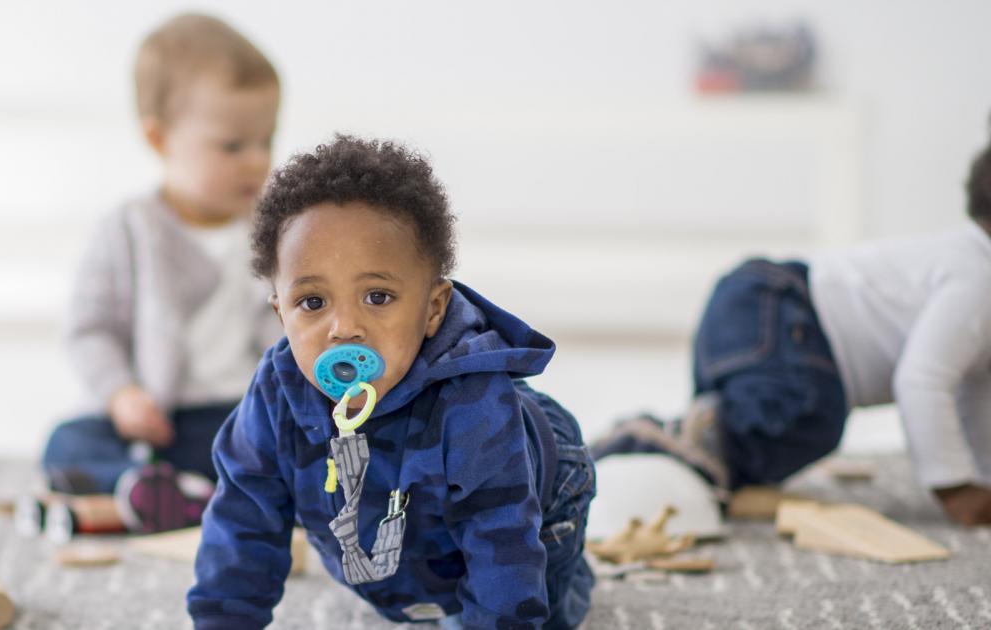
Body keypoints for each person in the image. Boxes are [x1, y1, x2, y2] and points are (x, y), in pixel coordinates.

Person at [186, 136, 596, 629]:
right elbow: (242, 520)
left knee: (535, 603)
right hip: (403, 518)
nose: (344, 328)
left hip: (536, 489)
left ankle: (575, 578)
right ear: (280, 311)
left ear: (432, 309)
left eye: (377, 297)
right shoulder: (277, 395)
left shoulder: (474, 403)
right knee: (409, 596)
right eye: (313, 303)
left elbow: (499, 534)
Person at [593, 120, 991, 526]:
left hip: (758, 308)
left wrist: (983, 476)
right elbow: (922, 381)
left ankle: (694, 444)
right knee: (805, 417)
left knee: (752, 457)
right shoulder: (980, 278)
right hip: (782, 312)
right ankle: (657, 441)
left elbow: (972, 391)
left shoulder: (964, 264)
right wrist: (957, 489)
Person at [40, 13, 282, 533]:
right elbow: (90, 328)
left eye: (266, 140)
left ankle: (204, 493)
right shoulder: (129, 228)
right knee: (66, 444)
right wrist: (122, 393)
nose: (256, 161)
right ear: (160, 138)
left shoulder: (277, 228)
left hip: (238, 414)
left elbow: (292, 323)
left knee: (308, 445)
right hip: (155, 423)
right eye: (233, 146)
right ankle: (147, 487)